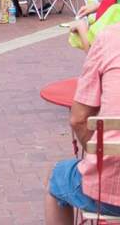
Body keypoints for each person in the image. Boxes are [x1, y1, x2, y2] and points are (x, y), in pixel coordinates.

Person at [45, 24, 120, 222]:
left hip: (109, 193)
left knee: (57, 176)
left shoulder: (109, 38)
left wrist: (99, 152)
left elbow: (78, 119)